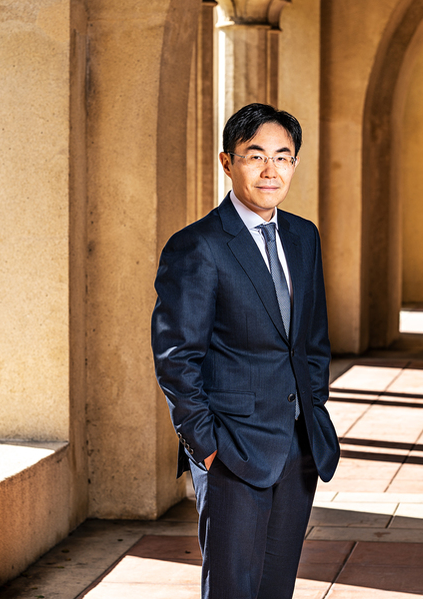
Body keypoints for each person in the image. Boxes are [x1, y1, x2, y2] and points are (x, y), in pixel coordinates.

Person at [151, 103, 340, 599]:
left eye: (282, 157)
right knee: (234, 589)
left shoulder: (303, 236)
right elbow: (176, 358)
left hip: (298, 444)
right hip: (231, 449)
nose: (270, 170)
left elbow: (312, 339)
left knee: (276, 587)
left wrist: (313, 406)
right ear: (226, 162)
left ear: (295, 164)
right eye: (255, 156)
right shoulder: (198, 246)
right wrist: (206, 447)